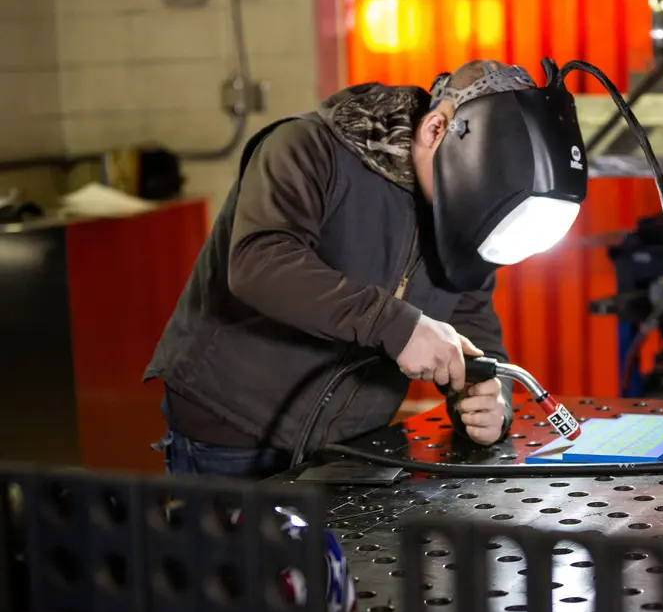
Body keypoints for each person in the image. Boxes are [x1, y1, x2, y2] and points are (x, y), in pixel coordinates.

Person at [145, 60, 539, 478]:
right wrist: (397, 326)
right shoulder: (306, 147)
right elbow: (259, 262)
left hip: (350, 445)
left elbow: (472, 321)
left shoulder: (472, 221)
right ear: (435, 130)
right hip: (232, 431)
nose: (474, 218)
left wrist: (492, 403)